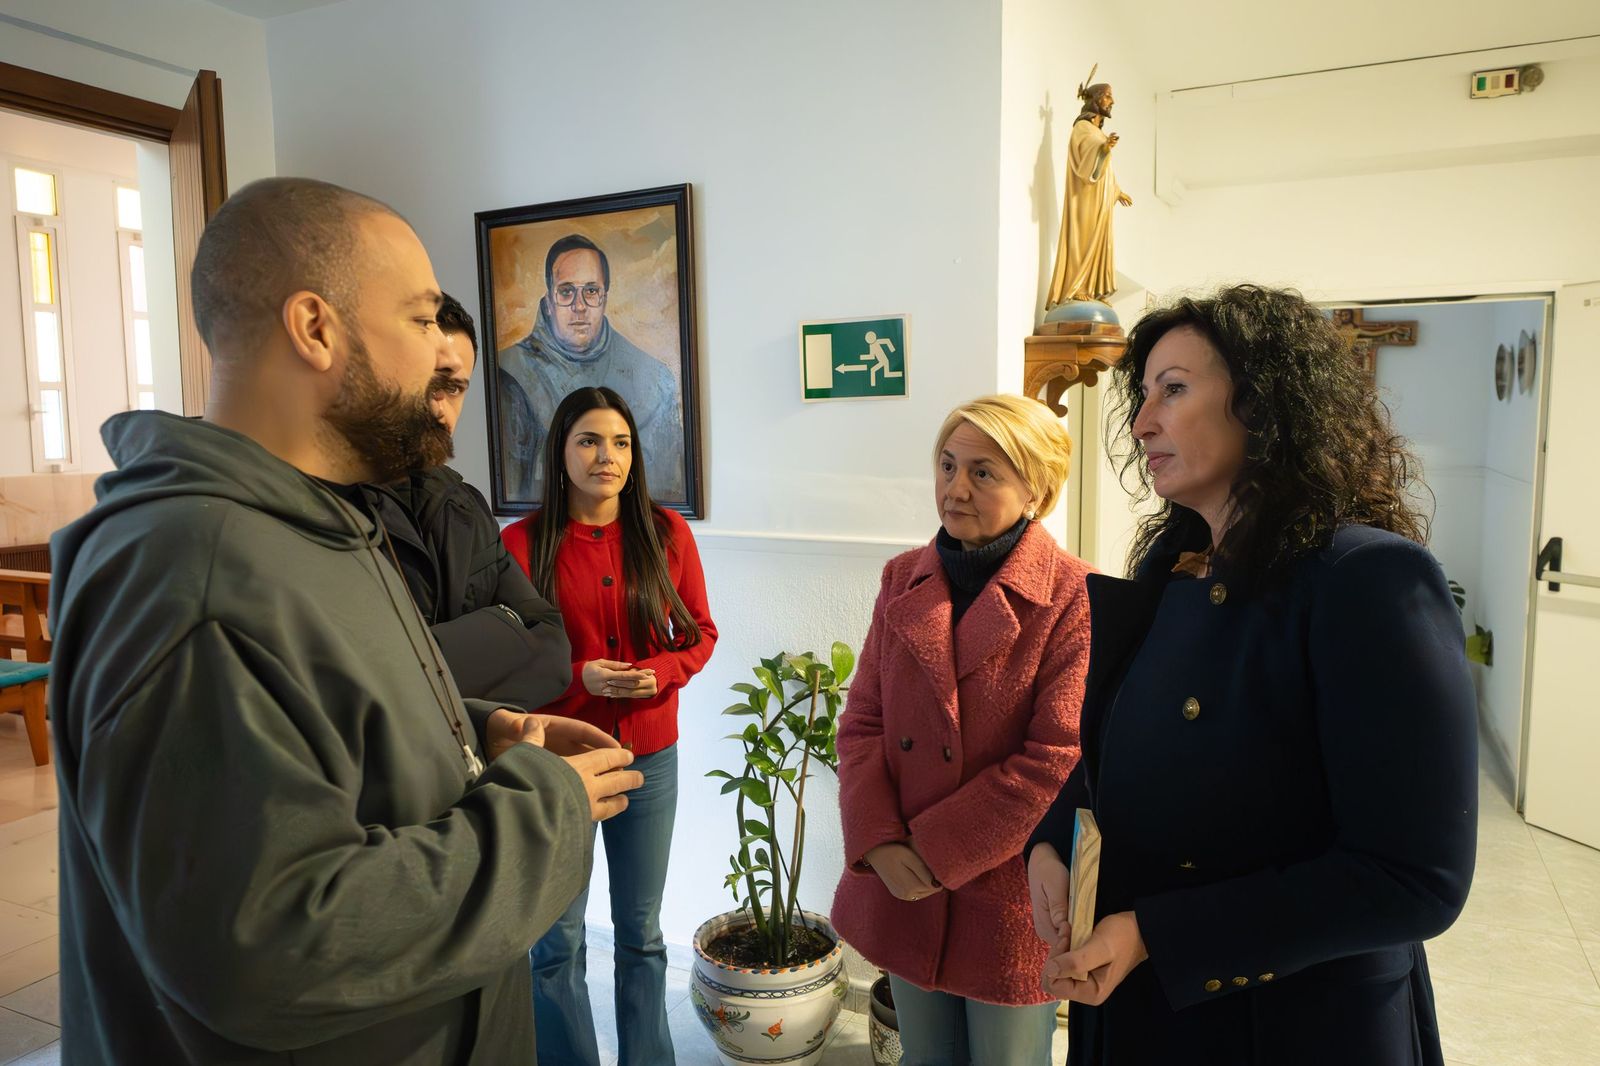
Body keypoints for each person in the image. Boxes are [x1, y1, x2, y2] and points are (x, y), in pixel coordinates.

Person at [47, 177, 643, 1066]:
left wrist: (478, 732)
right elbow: (273, 945)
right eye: (420, 319)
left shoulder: (326, 518)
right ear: (315, 328)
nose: (441, 354)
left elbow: (326, 719)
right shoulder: (191, 571)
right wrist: (541, 807)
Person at [1026, 284, 1477, 1066]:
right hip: (1144, 1010)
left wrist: (1157, 934)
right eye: (1143, 395)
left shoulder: (1366, 577)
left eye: (1174, 389)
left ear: (1263, 405)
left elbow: (1413, 879)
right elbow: (1116, 753)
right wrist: (1049, 845)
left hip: (1291, 1026)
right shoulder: (1174, 568)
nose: (1141, 422)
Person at [830, 394, 1091, 1065]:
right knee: (925, 1055)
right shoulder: (902, 579)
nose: (955, 489)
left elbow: (1054, 759)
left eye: (983, 472)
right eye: (947, 466)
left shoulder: (1074, 596)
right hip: (902, 879)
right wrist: (879, 840)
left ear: (1038, 490)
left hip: (1007, 893)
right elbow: (862, 723)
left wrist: (933, 852)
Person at [502, 386, 717, 1066]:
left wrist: (663, 671)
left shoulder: (667, 533)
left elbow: (701, 634)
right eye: (590, 441)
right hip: (560, 763)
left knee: (642, 934)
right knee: (557, 939)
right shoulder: (519, 544)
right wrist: (578, 678)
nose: (607, 457)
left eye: (621, 443)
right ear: (561, 452)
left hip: (649, 757)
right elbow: (507, 665)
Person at [350, 292, 573, 710]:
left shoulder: (466, 507)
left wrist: (418, 666)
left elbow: (551, 651)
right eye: (430, 382)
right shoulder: (325, 508)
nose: (441, 409)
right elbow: (353, 691)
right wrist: (500, 628)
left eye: (454, 388)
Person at [498, 235, 685, 501]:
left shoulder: (656, 380)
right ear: (549, 303)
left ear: (604, 299)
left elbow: (667, 491)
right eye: (566, 292)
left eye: (591, 291)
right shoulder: (510, 374)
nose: (579, 306)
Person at [1046, 76, 1133, 307]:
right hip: (1085, 197)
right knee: (1082, 238)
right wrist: (1102, 147)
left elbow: (1106, 170)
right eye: (1107, 96)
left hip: (1101, 199)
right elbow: (1083, 161)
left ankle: (1093, 288)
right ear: (1095, 99)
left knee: (1101, 241)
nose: (1112, 101)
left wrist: (1117, 191)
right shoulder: (1082, 127)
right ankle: (1078, 287)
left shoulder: (1098, 132)